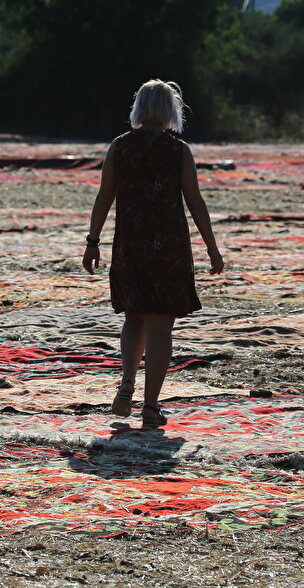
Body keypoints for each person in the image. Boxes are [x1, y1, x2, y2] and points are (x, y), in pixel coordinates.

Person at [82, 79, 224, 427]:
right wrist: (212, 247)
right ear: (170, 112)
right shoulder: (178, 151)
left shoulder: (120, 147)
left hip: (130, 245)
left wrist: (92, 241)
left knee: (134, 317)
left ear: (140, 109)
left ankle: (127, 381)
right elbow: (195, 202)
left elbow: (104, 197)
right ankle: (150, 405)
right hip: (169, 250)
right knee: (162, 326)